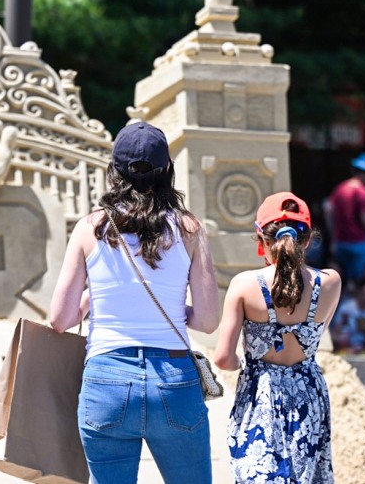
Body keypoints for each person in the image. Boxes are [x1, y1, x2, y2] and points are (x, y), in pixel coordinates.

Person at [49, 122, 220, 484]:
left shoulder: (90, 228)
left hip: (106, 377)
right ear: (167, 171)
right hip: (173, 378)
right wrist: (178, 309)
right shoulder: (189, 229)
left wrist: (90, 300)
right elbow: (207, 320)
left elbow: (59, 320)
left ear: (114, 172)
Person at [213, 192, 342, 483]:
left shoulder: (244, 285)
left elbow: (222, 358)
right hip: (308, 392)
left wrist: (239, 363)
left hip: (261, 392)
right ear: (307, 240)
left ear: (262, 241)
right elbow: (316, 336)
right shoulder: (331, 282)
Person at [326, 152, 365, 282]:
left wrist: (333, 236)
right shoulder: (363, 192)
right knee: (359, 280)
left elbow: (328, 211)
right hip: (358, 242)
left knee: (342, 280)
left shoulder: (340, 188)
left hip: (340, 242)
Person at [332, 279, 365, 353]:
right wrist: (343, 322)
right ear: (359, 292)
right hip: (346, 344)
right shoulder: (346, 307)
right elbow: (335, 332)